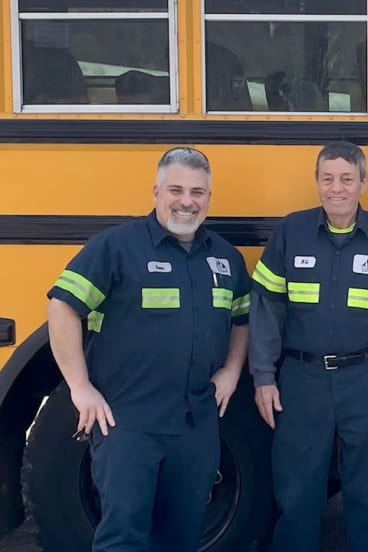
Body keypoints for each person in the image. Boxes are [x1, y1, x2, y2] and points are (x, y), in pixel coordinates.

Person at [46, 147, 250, 552]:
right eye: (176, 189)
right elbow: (62, 307)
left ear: (209, 197)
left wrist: (231, 369)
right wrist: (80, 387)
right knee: (123, 538)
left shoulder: (226, 259)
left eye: (198, 192)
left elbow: (242, 319)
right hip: (128, 424)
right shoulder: (116, 248)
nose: (187, 201)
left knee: (182, 538)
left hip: (195, 425)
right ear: (156, 191)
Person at [249, 141, 368, 552]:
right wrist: (263, 377)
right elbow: (266, 310)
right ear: (316, 182)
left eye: (347, 179)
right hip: (301, 380)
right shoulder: (290, 231)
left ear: (363, 182)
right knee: (296, 492)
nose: (336, 189)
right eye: (327, 179)